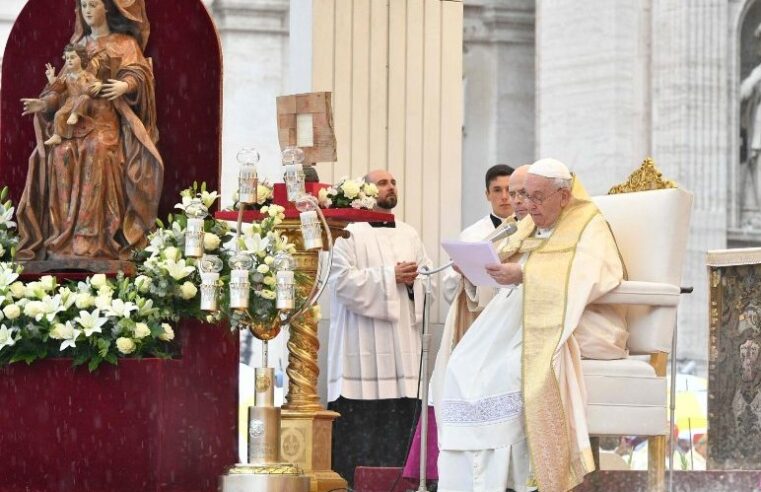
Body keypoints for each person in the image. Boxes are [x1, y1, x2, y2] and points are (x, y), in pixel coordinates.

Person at [434, 159, 628, 492]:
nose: (527, 205)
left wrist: (526, 275)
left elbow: (592, 275)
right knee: (461, 366)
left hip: (572, 317)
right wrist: (476, 267)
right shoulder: (529, 223)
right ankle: (477, 480)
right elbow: (506, 257)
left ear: (563, 196)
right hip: (516, 313)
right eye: (524, 196)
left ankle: (523, 478)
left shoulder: (588, 224)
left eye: (536, 197)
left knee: (510, 370)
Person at [18, 0, 163, 262]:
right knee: (60, 153)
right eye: (83, 5)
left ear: (106, 8)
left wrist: (123, 85)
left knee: (97, 151)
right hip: (75, 123)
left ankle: (94, 238)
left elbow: (140, 74)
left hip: (107, 123)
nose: (87, 10)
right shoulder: (80, 46)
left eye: (93, 4)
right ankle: (65, 239)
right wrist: (44, 102)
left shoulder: (124, 43)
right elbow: (62, 88)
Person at [327, 169, 433, 485]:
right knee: (361, 434)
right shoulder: (347, 232)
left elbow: (429, 278)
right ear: (366, 191)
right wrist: (389, 276)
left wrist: (416, 282)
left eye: (393, 182)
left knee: (399, 428)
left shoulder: (409, 234)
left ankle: (401, 485)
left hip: (402, 348)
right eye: (382, 183)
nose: (389, 187)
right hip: (360, 347)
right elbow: (341, 282)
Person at [441, 164, 515, 305]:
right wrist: (465, 274)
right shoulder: (470, 235)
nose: (504, 197)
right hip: (483, 313)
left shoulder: (531, 228)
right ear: (487, 194)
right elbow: (449, 290)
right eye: (497, 190)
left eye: (509, 190)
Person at [43, 44, 102, 146]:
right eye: (67, 58)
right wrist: (52, 79)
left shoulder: (86, 74)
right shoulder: (66, 76)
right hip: (70, 102)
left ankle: (75, 115)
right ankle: (57, 135)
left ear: (81, 58)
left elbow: (95, 82)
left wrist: (99, 84)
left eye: (72, 57)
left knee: (84, 98)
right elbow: (59, 89)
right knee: (59, 114)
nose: (69, 60)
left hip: (83, 101)